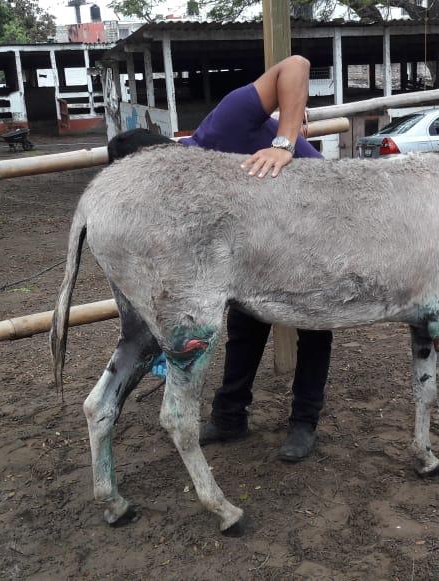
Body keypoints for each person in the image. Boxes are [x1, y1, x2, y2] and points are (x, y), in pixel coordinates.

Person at [109, 56, 332, 462]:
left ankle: (304, 421)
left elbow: (296, 65)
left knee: (313, 324)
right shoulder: (182, 195)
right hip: (261, 240)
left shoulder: (221, 126)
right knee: (244, 323)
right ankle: (231, 416)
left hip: (314, 221)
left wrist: (283, 143)